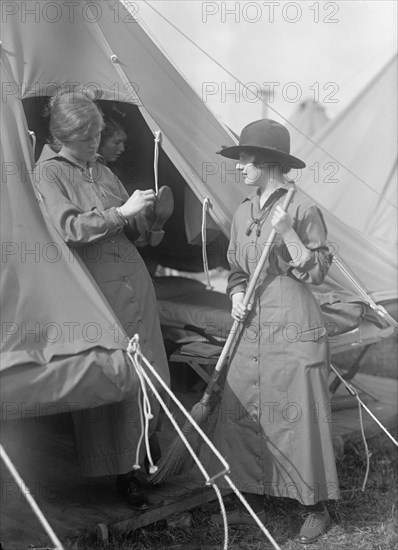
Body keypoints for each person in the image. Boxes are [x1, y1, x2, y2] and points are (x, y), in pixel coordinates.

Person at [32, 89, 170, 510]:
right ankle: (122, 472)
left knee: (150, 368)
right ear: (63, 135)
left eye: (96, 136)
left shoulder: (102, 170)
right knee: (115, 376)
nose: (95, 143)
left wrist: (146, 221)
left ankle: (148, 455)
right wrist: (121, 214)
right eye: (86, 137)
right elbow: (69, 229)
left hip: (133, 281)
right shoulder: (48, 175)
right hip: (97, 291)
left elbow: (129, 229)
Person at [210, 119, 340, 544]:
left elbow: (318, 272)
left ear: (267, 162)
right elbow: (235, 268)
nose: (239, 167)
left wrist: (288, 235)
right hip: (252, 324)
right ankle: (256, 495)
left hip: (294, 321)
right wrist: (235, 293)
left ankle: (314, 505)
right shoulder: (244, 210)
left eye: (244, 159)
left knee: (299, 411)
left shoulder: (302, 209)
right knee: (248, 403)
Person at [98, 112, 174, 248]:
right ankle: (146, 220)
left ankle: (145, 220)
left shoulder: (111, 171)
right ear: (99, 141)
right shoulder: (95, 173)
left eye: (123, 143)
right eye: (116, 142)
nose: (122, 148)